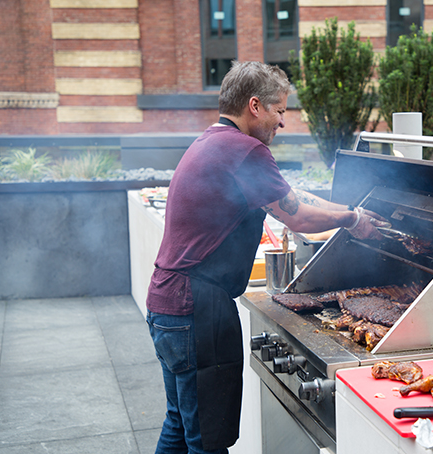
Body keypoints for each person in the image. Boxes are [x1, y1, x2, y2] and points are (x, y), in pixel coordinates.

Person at [145, 61, 389, 454]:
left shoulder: (215, 141)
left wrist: (351, 208)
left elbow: (293, 197)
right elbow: (297, 215)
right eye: (280, 110)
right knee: (207, 441)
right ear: (255, 106)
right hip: (197, 309)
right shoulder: (246, 150)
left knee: (181, 423)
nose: (283, 122)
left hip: (169, 303)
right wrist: (352, 220)